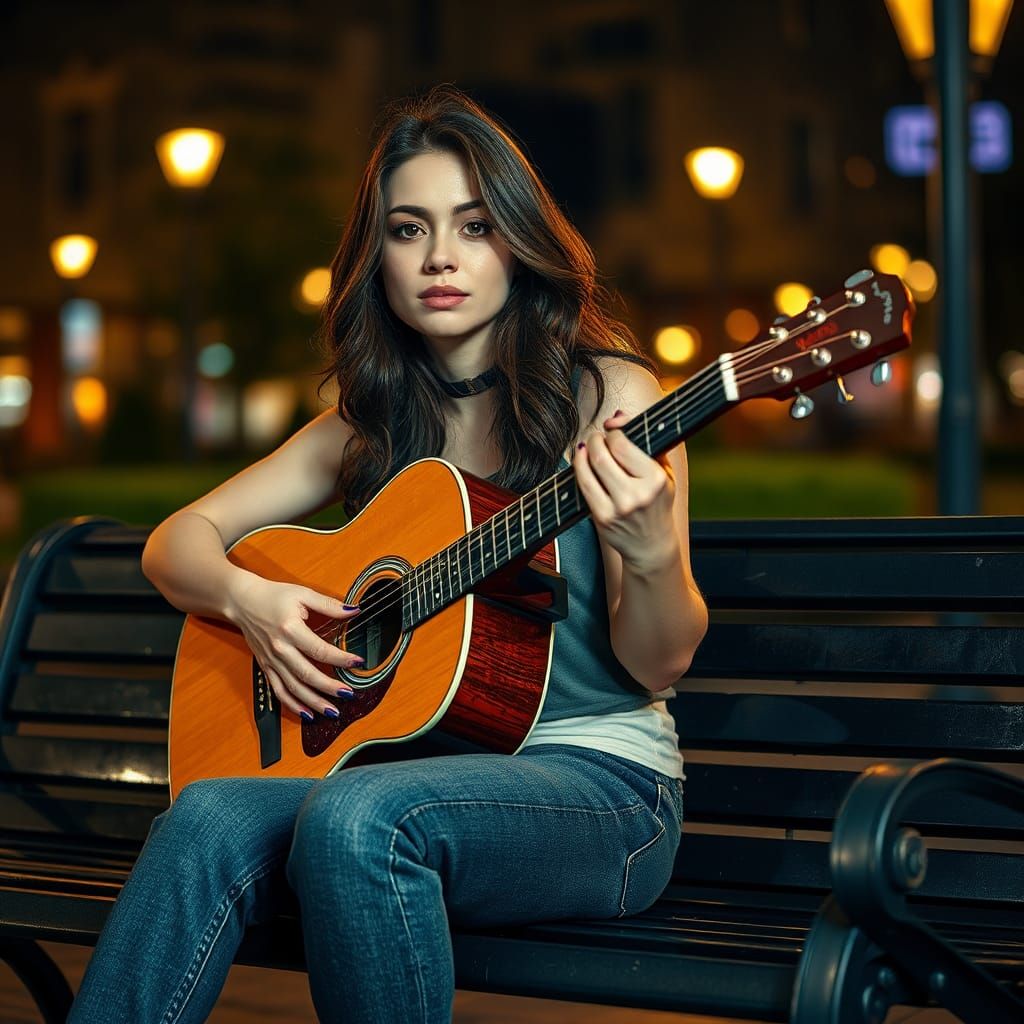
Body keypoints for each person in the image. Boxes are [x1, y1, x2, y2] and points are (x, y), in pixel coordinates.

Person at [68, 83, 708, 1024]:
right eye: (409, 230)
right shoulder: (367, 428)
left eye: (474, 225)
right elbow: (177, 543)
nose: (440, 257)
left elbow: (663, 661)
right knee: (203, 817)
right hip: (412, 772)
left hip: (603, 792)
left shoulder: (608, 398)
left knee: (358, 820)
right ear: (378, 258)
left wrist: (649, 549)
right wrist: (252, 601)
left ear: (519, 242)